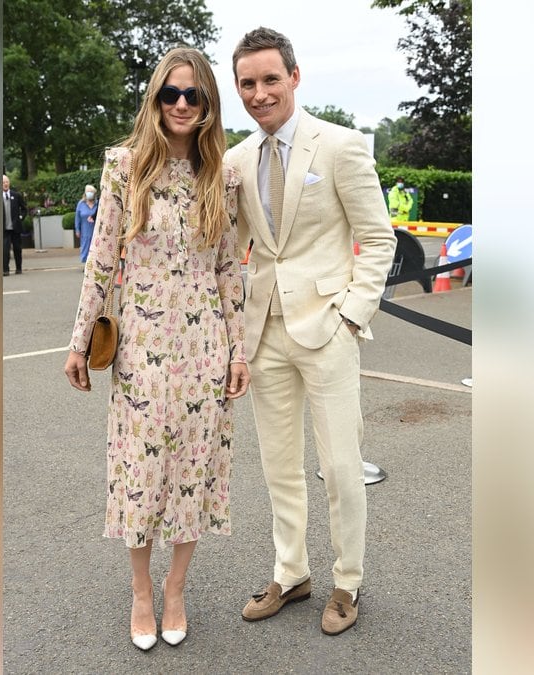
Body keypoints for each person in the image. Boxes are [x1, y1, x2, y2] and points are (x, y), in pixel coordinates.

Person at [63, 47, 251, 652]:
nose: (179, 105)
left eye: (192, 95)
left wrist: (239, 352)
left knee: (193, 470)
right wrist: (77, 341)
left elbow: (228, 270)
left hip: (204, 348)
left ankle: (176, 589)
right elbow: (101, 260)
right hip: (142, 347)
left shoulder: (222, 175)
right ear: (154, 99)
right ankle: (141, 591)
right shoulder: (123, 168)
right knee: (141, 471)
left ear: (208, 104)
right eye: (169, 94)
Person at [224, 27, 396, 636]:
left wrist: (352, 315)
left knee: (341, 466)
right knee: (279, 466)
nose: (260, 93)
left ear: (295, 77)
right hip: (263, 331)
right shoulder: (235, 161)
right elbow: (230, 250)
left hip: (328, 328)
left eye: (271, 79)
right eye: (248, 83)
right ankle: (291, 572)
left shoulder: (341, 146)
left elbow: (378, 239)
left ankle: (347, 581)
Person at [2, 174, 26, 275]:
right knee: (5, 250)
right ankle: (5, 270)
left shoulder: (16, 195)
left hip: (15, 228)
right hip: (4, 229)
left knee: (17, 249)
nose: (5, 184)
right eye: (3, 183)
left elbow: (24, 209)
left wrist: (21, 217)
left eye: (6, 182)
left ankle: (19, 268)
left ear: (9, 183)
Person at [73, 184, 99, 264]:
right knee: (85, 247)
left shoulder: (97, 203)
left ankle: (94, 263)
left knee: (96, 247)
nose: (89, 193)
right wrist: (77, 229)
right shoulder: (81, 204)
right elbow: (77, 217)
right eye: (88, 192)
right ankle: (86, 264)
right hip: (85, 230)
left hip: (96, 230)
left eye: (91, 192)